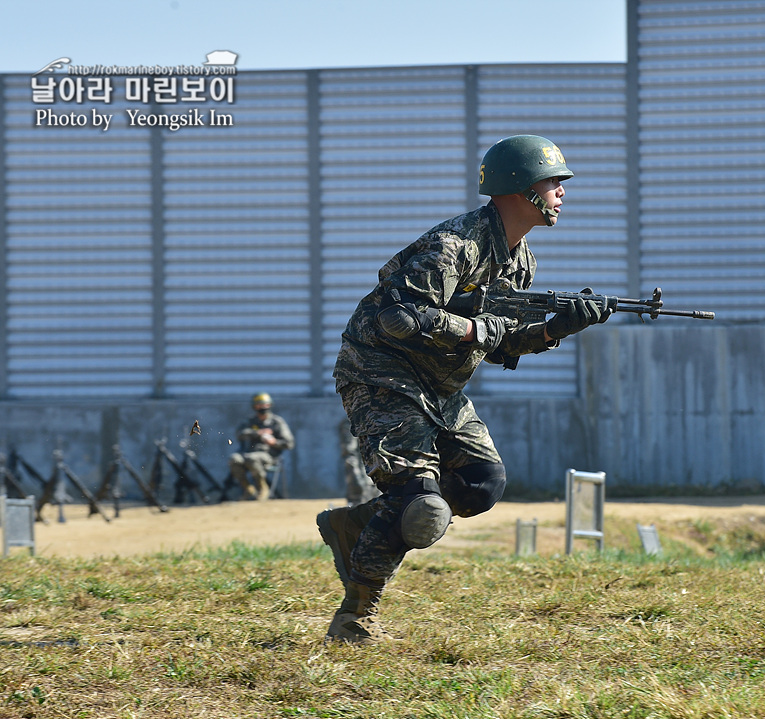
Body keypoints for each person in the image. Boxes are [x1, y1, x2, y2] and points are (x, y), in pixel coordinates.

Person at [317, 135, 612, 644]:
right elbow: (398, 316)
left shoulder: (521, 261)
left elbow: (501, 345)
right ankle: (354, 620)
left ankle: (358, 526)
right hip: (382, 373)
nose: (563, 191)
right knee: (420, 507)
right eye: (553, 181)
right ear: (521, 187)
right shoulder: (455, 245)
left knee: (480, 484)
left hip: (441, 384)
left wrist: (556, 329)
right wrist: (476, 331)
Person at [228, 392, 294, 501]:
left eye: (265, 404)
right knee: (234, 459)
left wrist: (274, 442)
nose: (263, 407)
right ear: (254, 406)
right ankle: (248, 489)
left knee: (252, 458)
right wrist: (257, 433)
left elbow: (289, 443)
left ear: (270, 405)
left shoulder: (277, 422)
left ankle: (262, 488)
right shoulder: (249, 421)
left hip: (268, 456)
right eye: (259, 405)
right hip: (247, 453)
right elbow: (239, 434)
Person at [338, 419, 381, 506]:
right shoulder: (352, 422)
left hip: (377, 481)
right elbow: (349, 454)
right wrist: (356, 480)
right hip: (362, 482)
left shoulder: (376, 420)